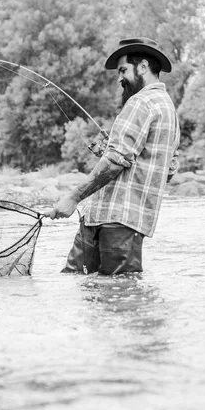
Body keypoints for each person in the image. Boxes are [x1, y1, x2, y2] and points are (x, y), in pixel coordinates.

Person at [48, 37, 180, 276]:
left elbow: (116, 161)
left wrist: (72, 198)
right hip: (115, 223)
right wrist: (111, 149)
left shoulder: (140, 102)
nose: (119, 78)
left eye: (123, 70)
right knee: (112, 295)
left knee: (91, 290)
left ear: (143, 67)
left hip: (114, 225)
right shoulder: (169, 109)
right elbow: (167, 171)